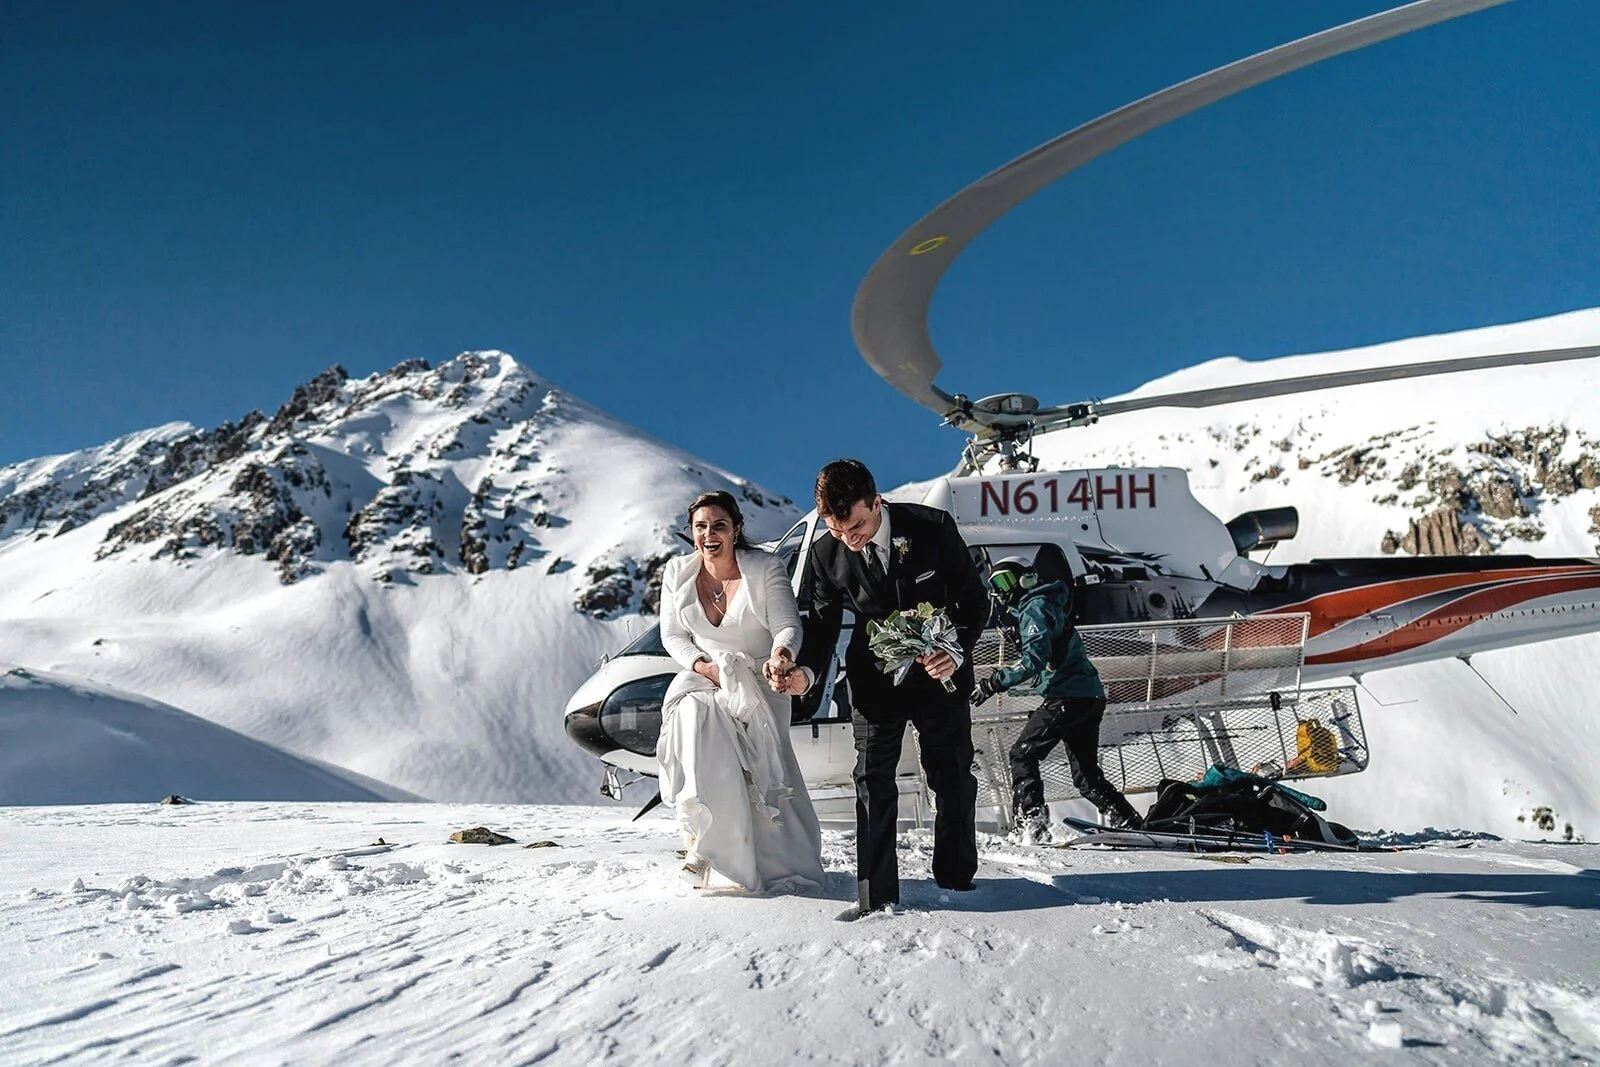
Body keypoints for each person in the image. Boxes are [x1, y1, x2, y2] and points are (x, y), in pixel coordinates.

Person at [796, 459, 987, 913]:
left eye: (857, 525)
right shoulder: (825, 554)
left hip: (940, 674)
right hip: (875, 682)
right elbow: (820, 627)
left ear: (876, 502)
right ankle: (875, 895)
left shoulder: (932, 526)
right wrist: (805, 673)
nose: (850, 538)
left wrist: (954, 648)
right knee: (871, 778)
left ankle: (957, 880)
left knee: (952, 775)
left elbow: (974, 598)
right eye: (838, 530)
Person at [656, 490, 825, 892]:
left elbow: (787, 624)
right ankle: (702, 846)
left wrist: (782, 654)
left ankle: (769, 861)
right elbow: (672, 634)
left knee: (764, 775)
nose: (709, 534)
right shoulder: (677, 572)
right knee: (695, 717)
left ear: (736, 529)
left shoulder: (764, 568)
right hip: (705, 674)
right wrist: (702, 665)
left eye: (718, 525)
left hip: (760, 679)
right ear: (691, 531)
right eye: (700, 527)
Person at [972, 556, 1143, 842]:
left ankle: (1031, 823)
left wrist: (993, 683)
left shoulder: (1035, 609)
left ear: (1023, 580)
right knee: (1086, 776)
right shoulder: (1044, 606)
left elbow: (1033, 662)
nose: (998, 592)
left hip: (1067, 696)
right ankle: (1128, 820)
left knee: (1022, 754)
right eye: (994, 585)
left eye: (1003, 582)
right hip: (1087, 695)